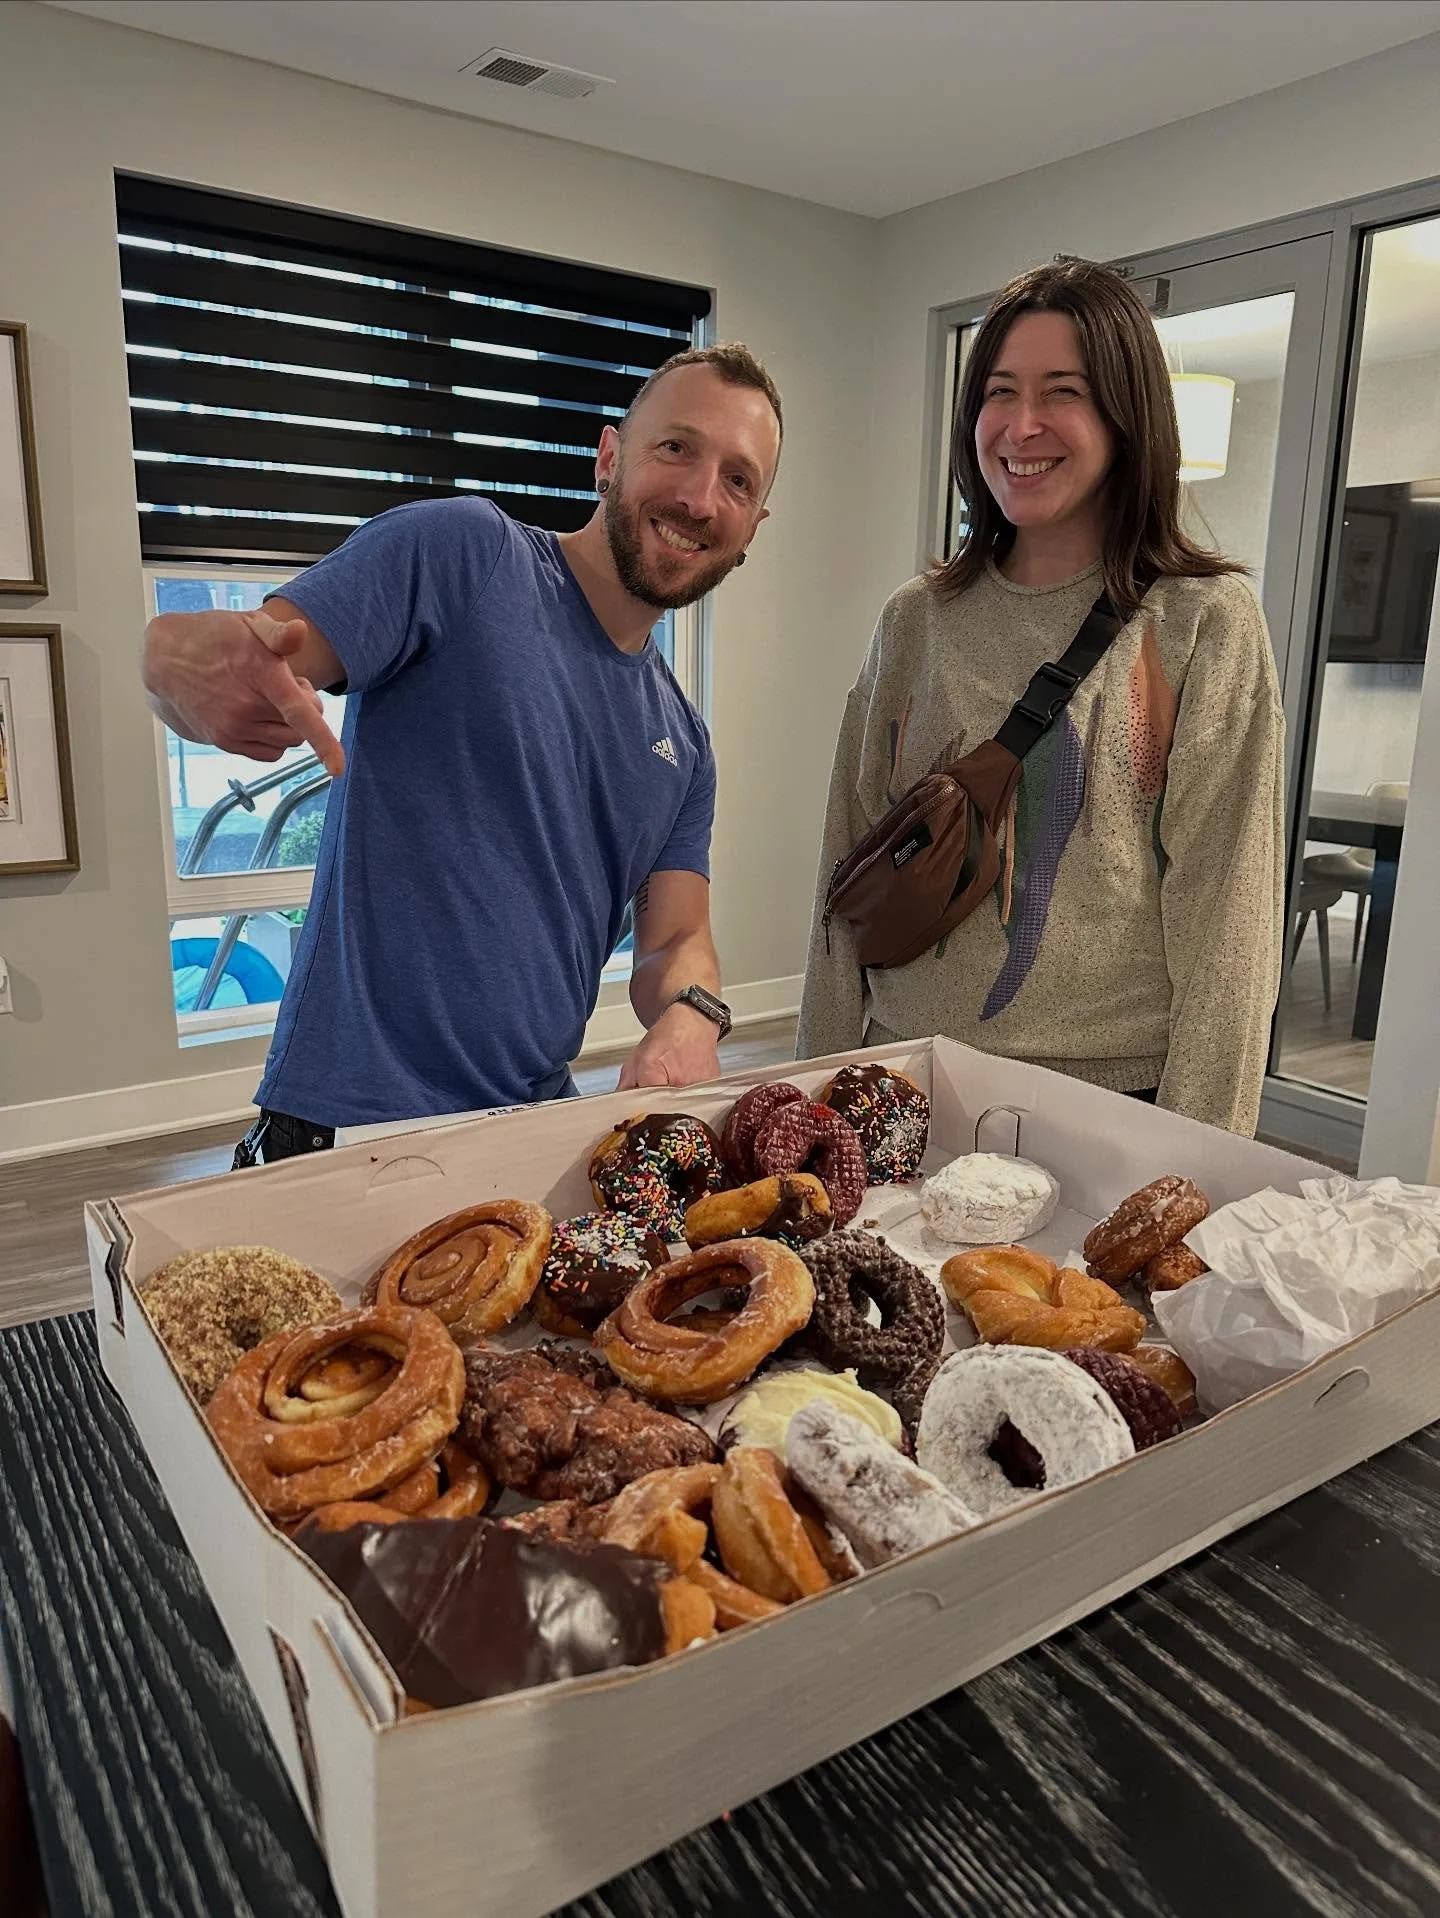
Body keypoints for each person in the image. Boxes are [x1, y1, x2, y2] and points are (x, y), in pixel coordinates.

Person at [142, 343, 783, 1163]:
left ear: (752, 528)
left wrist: (694, 1012)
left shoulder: (684, 746)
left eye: (738, 480)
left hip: (529, 1137)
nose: (699, 497)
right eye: (676, 447)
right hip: (349, 1134)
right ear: (609, 457)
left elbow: (675, 939)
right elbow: (259, 651)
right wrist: (169, 657)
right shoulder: (464, 555)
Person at [797, 260, 1284, 1135]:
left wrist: (1199, 1160)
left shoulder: (1202, 621)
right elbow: (847, 870)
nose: (1023, 425)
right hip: (902, 1083)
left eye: (1064, 391)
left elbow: (1229, 926)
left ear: (1127, 415)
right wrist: (811, 1106)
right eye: (1000, 391)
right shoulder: (915, 619)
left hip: (1106, 1101)